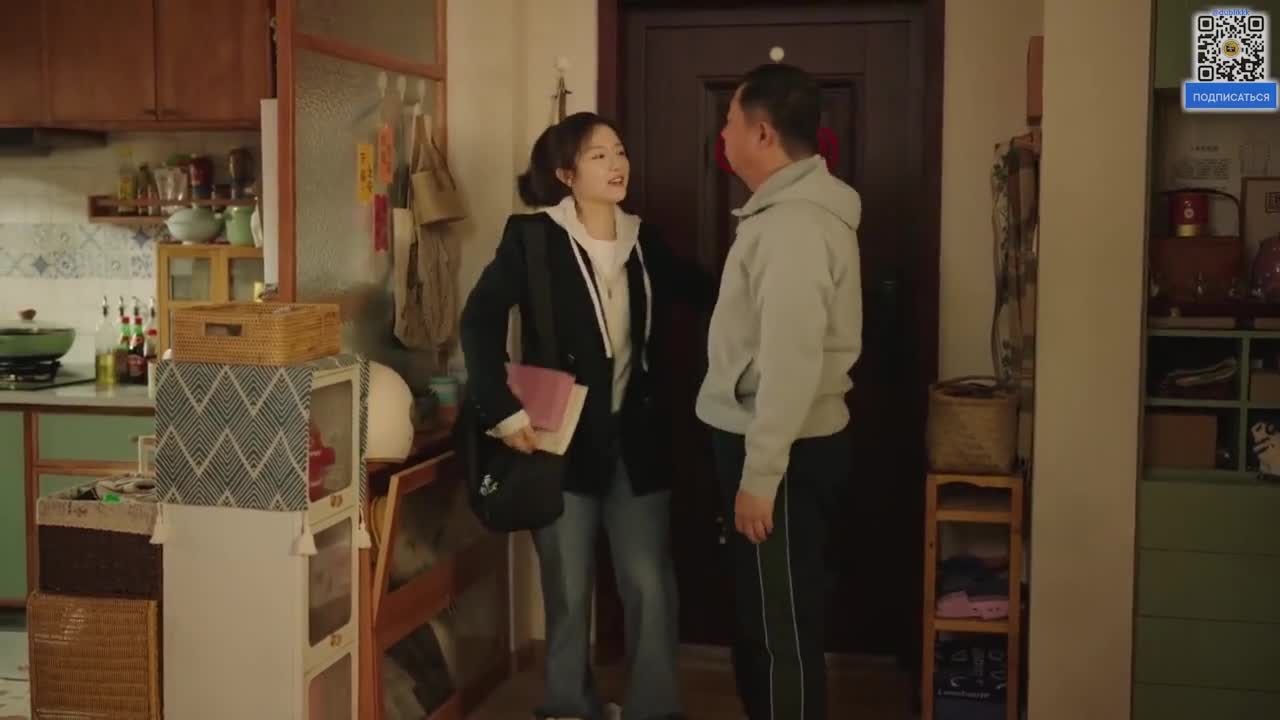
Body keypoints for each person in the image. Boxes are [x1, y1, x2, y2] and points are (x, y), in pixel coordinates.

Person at [460, 111, 712, 720]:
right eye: (599, 155)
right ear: (566, 173)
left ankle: (654, 709)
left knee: (649, 581)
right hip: (558, 438)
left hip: (637, 438)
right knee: (568, 587)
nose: (617, 164)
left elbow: (708, 294)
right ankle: (569, 707)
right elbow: (480, 319)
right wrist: (503, 409)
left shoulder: (644, 240)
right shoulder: (532, 237)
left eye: (619, 151)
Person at [695, 63, 863, 719]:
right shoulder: (783, 214)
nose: (723, 134)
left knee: (779, 631)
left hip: (781, 452)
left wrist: (761, 474)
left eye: (729, 121)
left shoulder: (794, 226)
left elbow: (791, 360)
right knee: (764, 620)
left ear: (762, 133)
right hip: (772, 444)